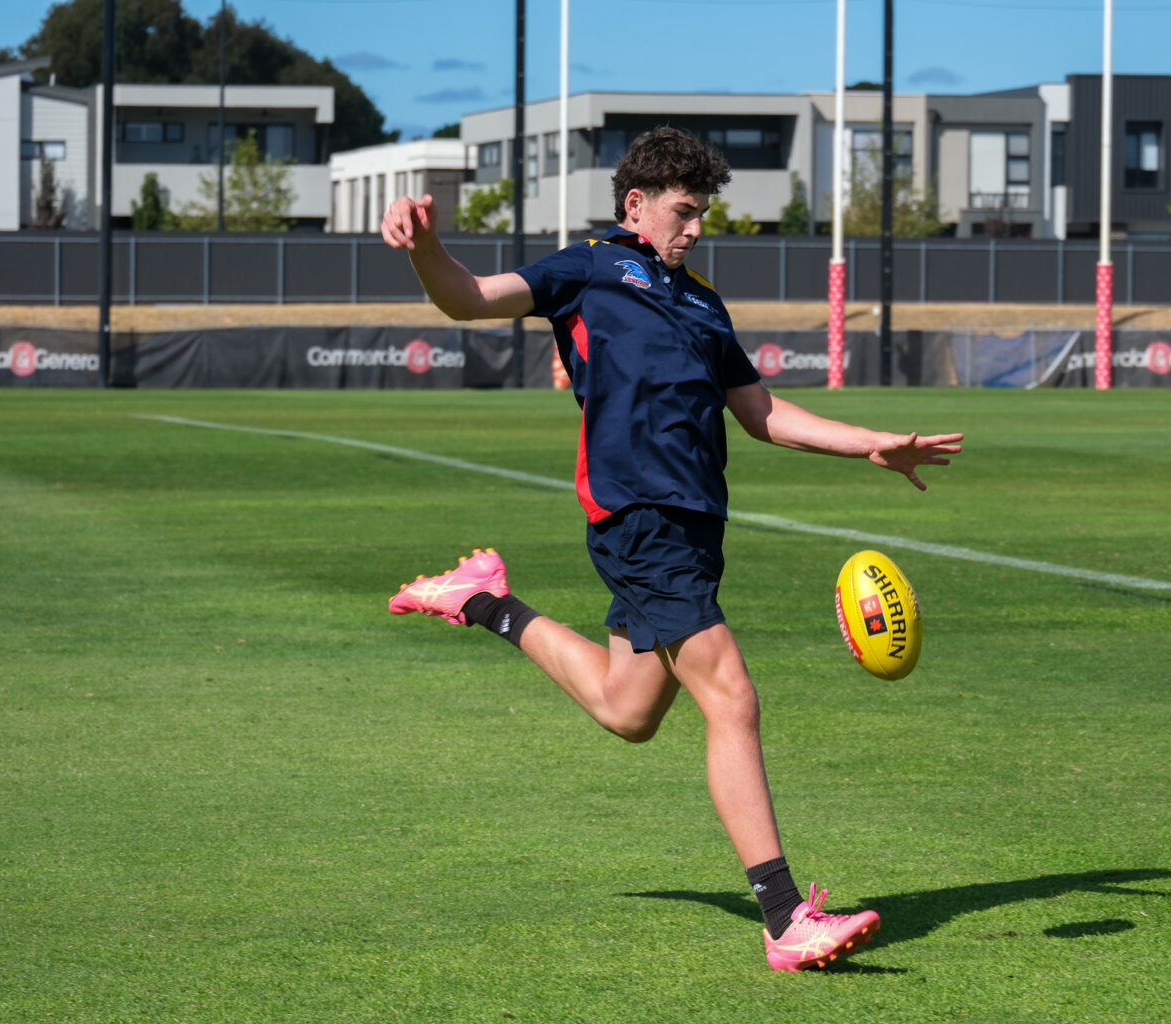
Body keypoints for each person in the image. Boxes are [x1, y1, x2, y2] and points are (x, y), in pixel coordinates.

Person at [380, 126, 962, 971]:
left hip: (696, 526)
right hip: (636, 517)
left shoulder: (702, 301)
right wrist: (425, 246)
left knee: (629, 710)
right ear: (635, 205)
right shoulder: (584, 269)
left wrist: (869, 441)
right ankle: (784, 916)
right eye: (683, 212)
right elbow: (468, 298)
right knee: (731, 695)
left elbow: (760, 413)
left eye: (702, 214)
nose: (693, 229)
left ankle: (483, 599)